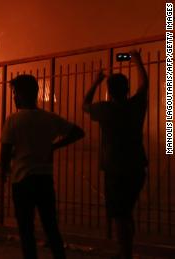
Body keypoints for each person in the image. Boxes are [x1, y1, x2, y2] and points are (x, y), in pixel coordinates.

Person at [0, 74, 84, 259]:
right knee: (50, 226)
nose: (13, 96)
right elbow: (78, 132)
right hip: (45, 179)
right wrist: (54, 146)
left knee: (26, 229)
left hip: (22, 180)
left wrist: (3, 172)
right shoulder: (49, 118)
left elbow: (5, 152)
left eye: (14, 92)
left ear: (20, 94)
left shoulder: (13, 120)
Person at [83, 50, 147, 259]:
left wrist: (96, 81)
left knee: (120, 215)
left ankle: (124, 252)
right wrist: (137, 62)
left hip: (115, 169)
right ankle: (125, 249)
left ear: (109, 92)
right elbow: (144, 86)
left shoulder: (105, 109)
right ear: (127, 89)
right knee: (125, 212)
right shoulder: (135, 106)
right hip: (136, 167)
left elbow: (85, 105)